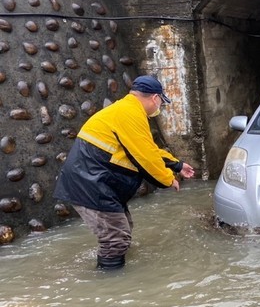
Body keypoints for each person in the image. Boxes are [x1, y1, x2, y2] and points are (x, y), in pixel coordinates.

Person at [53, 75, 195, 270]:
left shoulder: (126, 110)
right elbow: (145, 157)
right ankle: (109, 287)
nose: (159, 108)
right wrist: (168, 179)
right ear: (155, 98)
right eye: (161, 102)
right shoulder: (130, 113)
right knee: (116, 238)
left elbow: (146, 148)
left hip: (93, 180)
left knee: (122, 228)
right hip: (90, 183)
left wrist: (177, 165)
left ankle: (115, 274)